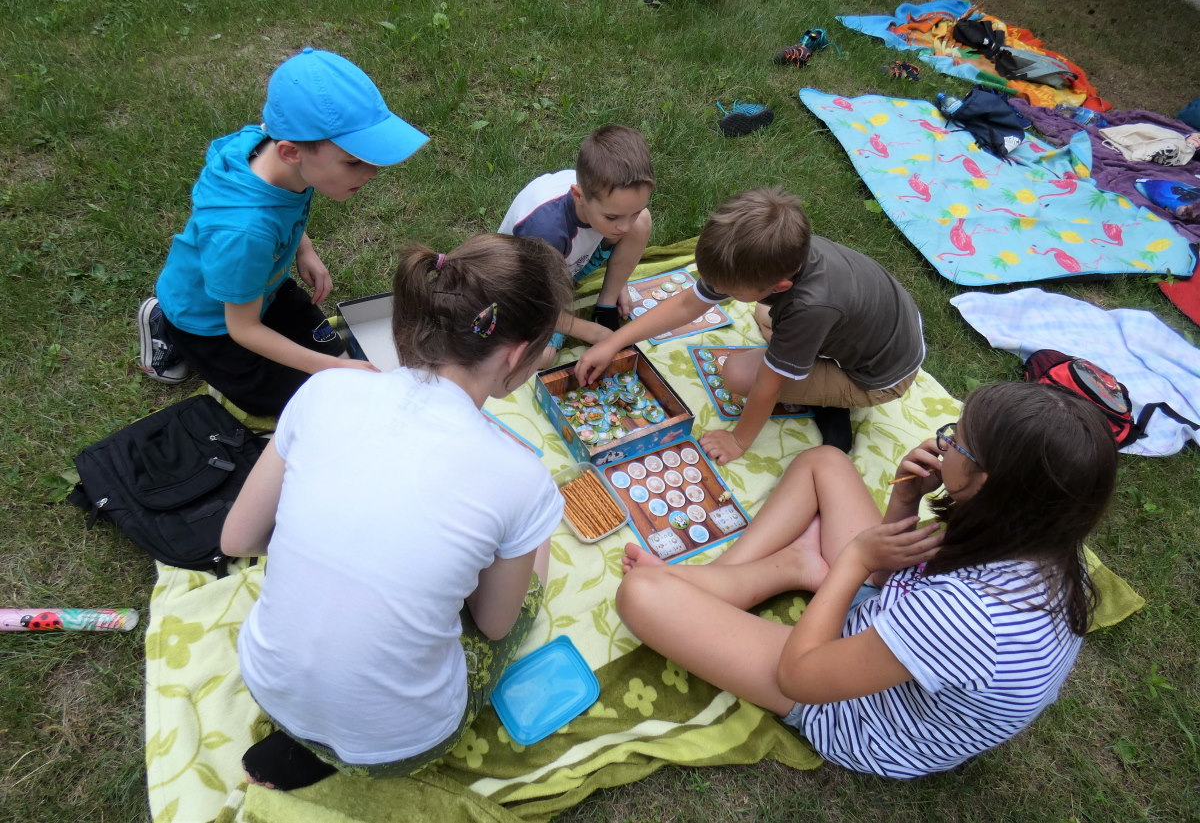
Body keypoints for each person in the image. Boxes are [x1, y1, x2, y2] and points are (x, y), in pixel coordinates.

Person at [615, 382, 1118, 779]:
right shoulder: (1040, 534)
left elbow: (799, 677)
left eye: (956, 440)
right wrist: (904, 500)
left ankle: (767, 576)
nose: (943, 443)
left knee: (641, 595)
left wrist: (853, 563)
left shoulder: (970, 615)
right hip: (893, 629)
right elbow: (891, 578)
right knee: (825, 462)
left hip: (851, 710)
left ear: (985, 483)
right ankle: (729, 579)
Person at [221, 233, 574, 790]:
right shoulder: (523, 478)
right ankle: (353, 747)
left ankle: (309, 739)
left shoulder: (327, 390)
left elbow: (238, 538)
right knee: (530, 565)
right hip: (397, 747)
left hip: (266, 683)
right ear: (515, 355)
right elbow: (493, 623)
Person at [137, 48, 428, 417]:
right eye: (354, 161)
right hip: (212, 322)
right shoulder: (245, 232)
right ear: (291, 152)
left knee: (336, 355)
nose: (371, 172)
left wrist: (304, 249)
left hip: (263, 287)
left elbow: (284, 206)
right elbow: (243, 329)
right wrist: (330, 369)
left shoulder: (267, 149)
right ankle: (165, 324)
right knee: (291, 400)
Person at [576, 187, 925, 459]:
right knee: (763, 313)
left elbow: (766, 387)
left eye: (728, 290)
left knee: (739, 375)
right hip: (875, 331)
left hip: (876, 378)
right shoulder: (779, 253)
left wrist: (738, 441)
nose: (720, 292)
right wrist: (614, 342)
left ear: (780, 286)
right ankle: (808, 373)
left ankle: (832, 401)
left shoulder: (809, 308)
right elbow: (687, 304)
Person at [498, 124, 655, 368]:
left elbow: (627, 219)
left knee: (642, 222)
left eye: (632, 211)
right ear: (578, 196)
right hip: (526, 285)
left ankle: (606, 304)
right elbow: (531, 299)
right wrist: (591, 332)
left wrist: (619, 281)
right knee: (543, 357)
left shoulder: (601, 191)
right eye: (612, 217)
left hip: (568, 263)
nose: (624, 227)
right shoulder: (545, 232)